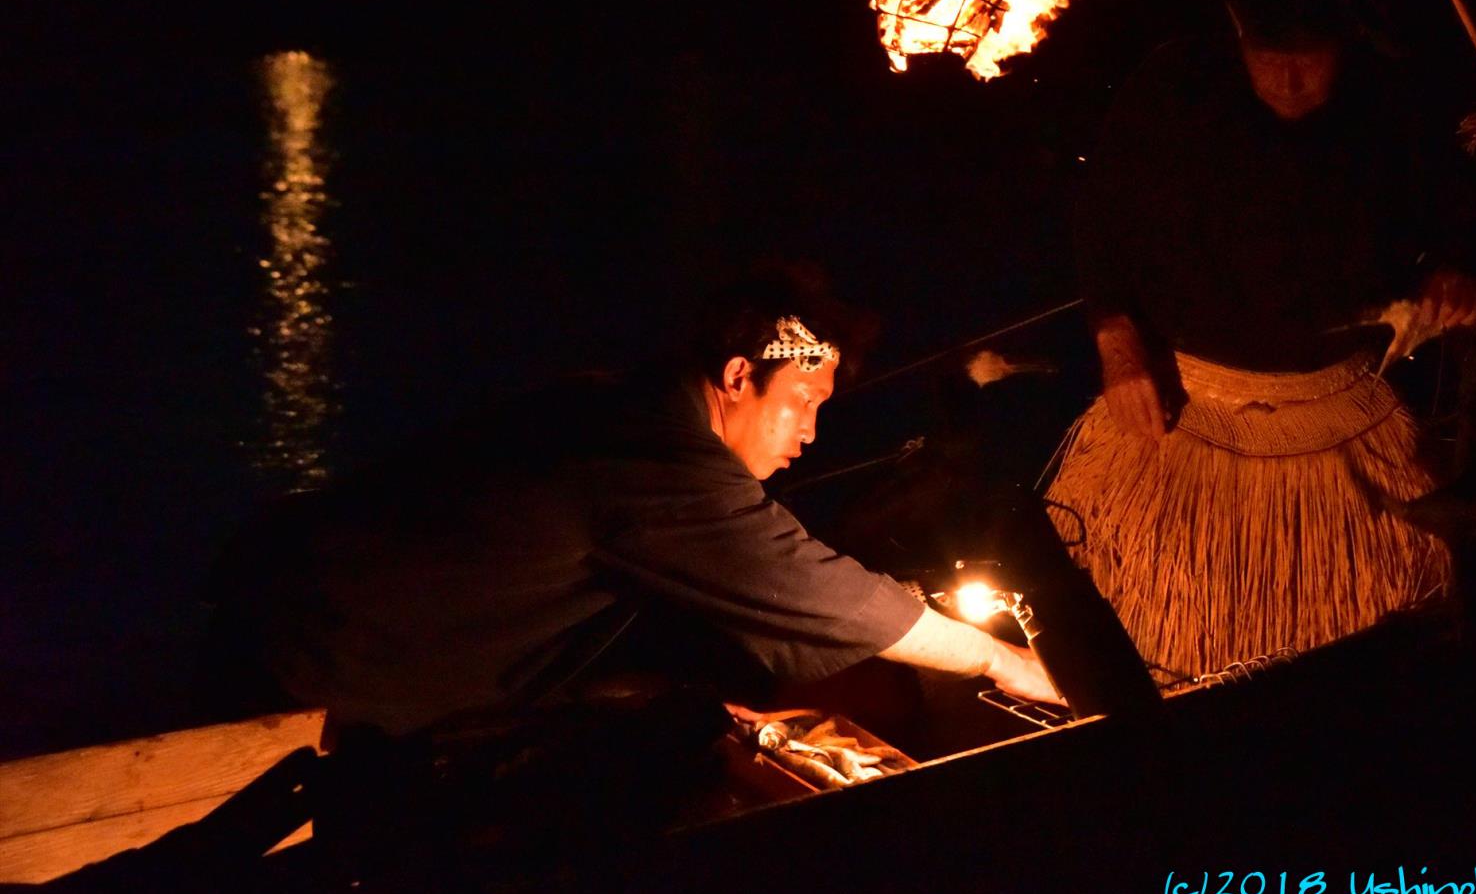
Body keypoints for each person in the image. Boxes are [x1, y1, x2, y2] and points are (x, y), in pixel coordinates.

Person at [226, 269, 1060, 742]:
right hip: (309, 675)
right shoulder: (655, 455)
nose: (811, 433)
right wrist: (1002, 661)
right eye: (804, 400)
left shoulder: (619, 406)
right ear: (739, 376)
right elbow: (805, 582)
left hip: (302, 620)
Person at [1049, 0, 1476, 678]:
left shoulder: (1392, 105)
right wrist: (1116, 343)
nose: (1290, 81)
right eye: (1270, 57)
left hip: (1342, 415)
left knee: (1382, 654)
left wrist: (1453, 273)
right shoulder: (1172, 89)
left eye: (1310, 59)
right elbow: (1099, 225)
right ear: (1236, 26)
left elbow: (1461, 221)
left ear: (1344, 41)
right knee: (1156, 653)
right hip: (1190, 411)